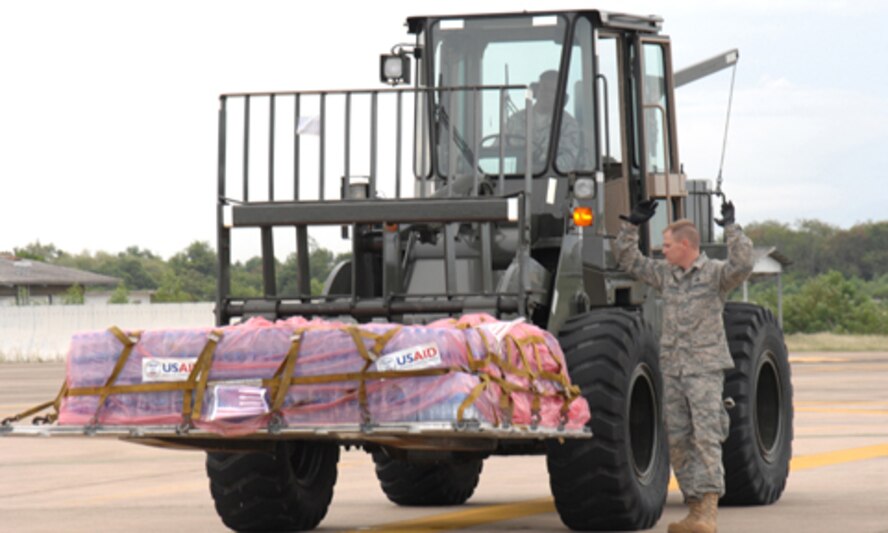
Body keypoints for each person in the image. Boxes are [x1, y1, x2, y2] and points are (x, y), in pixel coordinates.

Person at [612, 199, 754, 533]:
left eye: (666, 245)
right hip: (673, 368)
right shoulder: (666, 274)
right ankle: (694, 507)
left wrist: (732, 228)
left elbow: (744, 263)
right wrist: (631, 226)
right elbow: (628, 260)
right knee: (677, 438)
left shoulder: (716, 274)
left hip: (704, 368)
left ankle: (708, 511)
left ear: (685, 245)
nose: (662, 252)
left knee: (706, 436)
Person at [505, 69, 581, 172]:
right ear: (536, 91)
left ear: (561, 96)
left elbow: (569, 159)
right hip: (516, 179)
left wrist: (541, 169)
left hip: (551, 180)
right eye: (544, 89)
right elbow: (498, 150)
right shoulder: (515, 120)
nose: (547, 94)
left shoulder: (568, 124)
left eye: (552, 91)